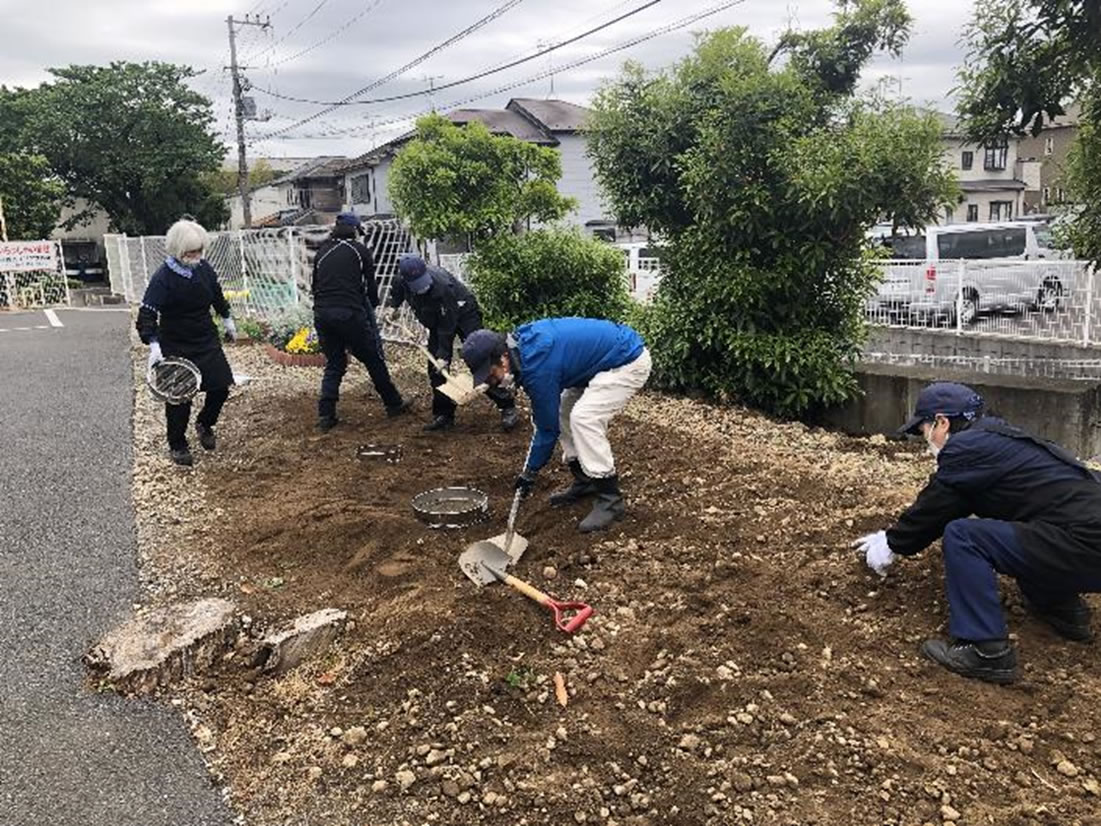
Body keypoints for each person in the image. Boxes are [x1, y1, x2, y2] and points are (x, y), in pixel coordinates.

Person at [854, 381, 1101, 685]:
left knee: (964, 536)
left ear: (942, 422)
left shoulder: (966, 447)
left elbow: (937, 504)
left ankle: (985, 650)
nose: (927, 441)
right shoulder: (1001, 439)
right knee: (1025, 533)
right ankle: (1063, 611)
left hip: (1086, 542)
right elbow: (961, 498)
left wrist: (893, 543)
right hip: (1084, 534)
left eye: (924, 432)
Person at [461, 318, 651, 533]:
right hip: (596, 366)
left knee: (584, 417)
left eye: (492, 375)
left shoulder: (538, 366)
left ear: (504, 358)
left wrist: (530, 472)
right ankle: (585, 480)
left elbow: (546, 430)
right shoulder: (522, 349)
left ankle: (610, 500)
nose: (493, 382)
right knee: (563, 411)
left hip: (626, 361)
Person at [136, 219, 237, 466]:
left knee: (220, 387)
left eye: (199, 251)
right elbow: (147, 313)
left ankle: (204, 423)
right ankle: (178, 443)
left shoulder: (204, 269)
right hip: (176, 341)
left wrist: (227, 319)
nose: (196, 256)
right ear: (178, 251)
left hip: (205, 337)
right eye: (191, 252)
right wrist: (153, 344)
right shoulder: (163, 278)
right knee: (179, 397)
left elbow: (217, 295)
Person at [386, 254, 518, 432]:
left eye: (424, 282)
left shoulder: (442, 287)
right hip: (437, 320)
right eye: (417, 285)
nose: (423, 287)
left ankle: (506, 405)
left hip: (464, 314)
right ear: (406, 280)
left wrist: (443, 356)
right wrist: (393, 307)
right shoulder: (401, 280)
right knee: (436, 370)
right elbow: (397, 293)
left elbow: (446, 327)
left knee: (479, 358)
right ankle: (444, 414)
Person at [312, 212, 411, 430]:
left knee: (335, 363)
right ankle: (393, 403)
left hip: (322, 315)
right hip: (349, 313)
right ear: (354, 231)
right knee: (372, 357)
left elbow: (314, 285)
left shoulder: (322, 252)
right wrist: (373, 307)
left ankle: (325, 415)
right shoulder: (359, 251)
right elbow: (371, 286)